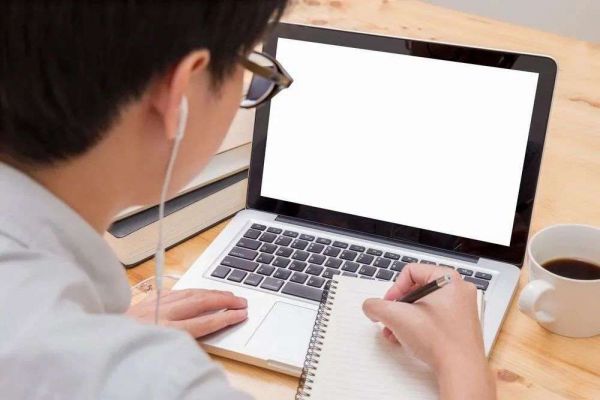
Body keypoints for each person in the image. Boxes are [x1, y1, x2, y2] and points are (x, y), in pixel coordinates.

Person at [0, 1, 495, 399]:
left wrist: (99, 330)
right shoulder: (156, 383)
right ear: (180, 92)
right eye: (246, 66)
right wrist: (461, 360)